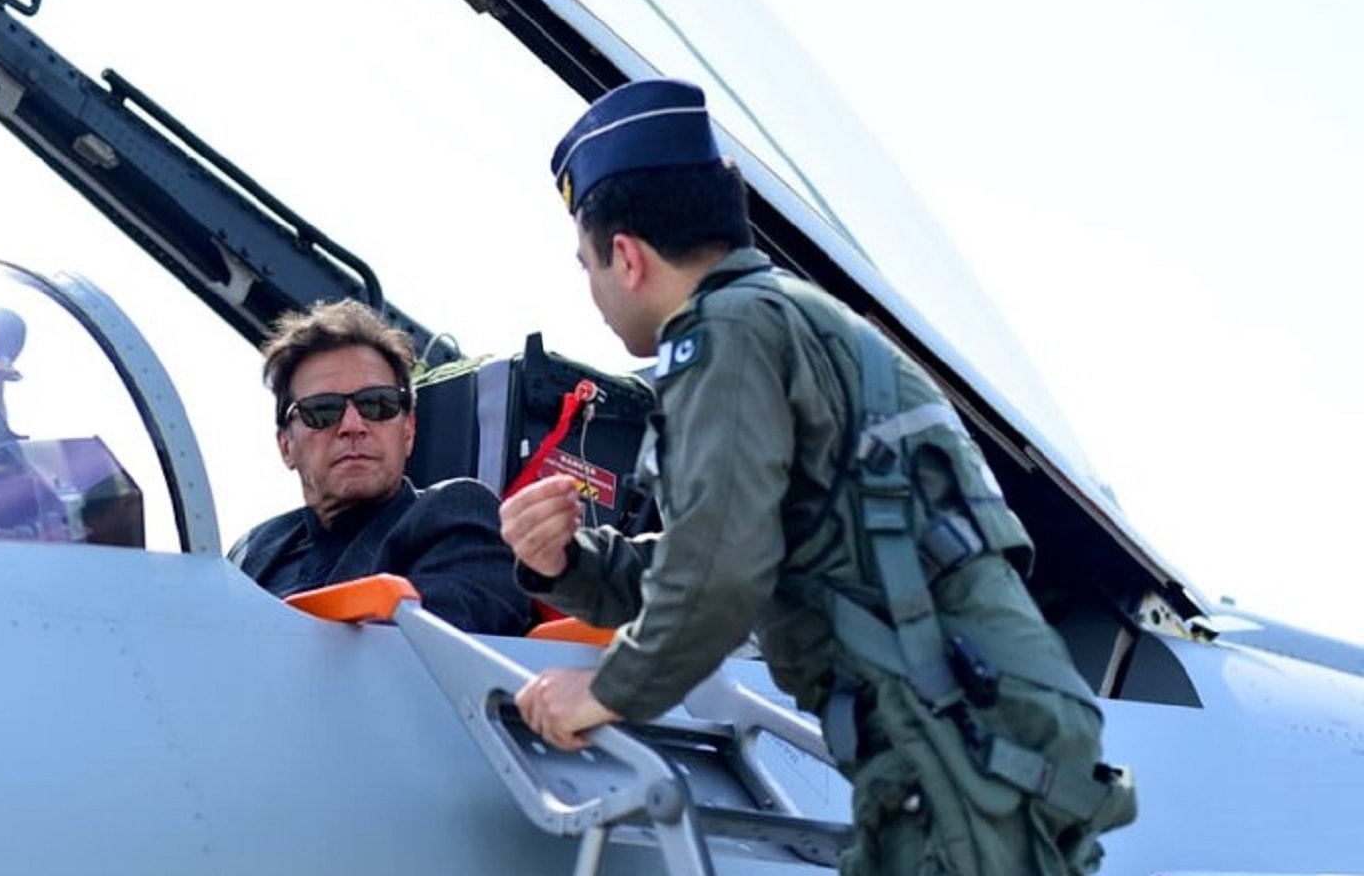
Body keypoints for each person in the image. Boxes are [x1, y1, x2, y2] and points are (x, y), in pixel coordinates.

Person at [500, 78, 1136, 875]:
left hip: (954, 749)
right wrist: (573, 565)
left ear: (625, 257)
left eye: (587, 264)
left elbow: (719, 572)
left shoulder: (723, 336)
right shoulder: (793, 322)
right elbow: (755, 550)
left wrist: (603, 692)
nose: (592, 291)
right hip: (975, 741)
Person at [229, 299, 536, 638]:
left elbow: (431, 647)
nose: (352, 425)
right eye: (322, 410)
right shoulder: (250, 553)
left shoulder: (456, 515)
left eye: (377, 404)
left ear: (408, 431)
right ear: (286, 446)